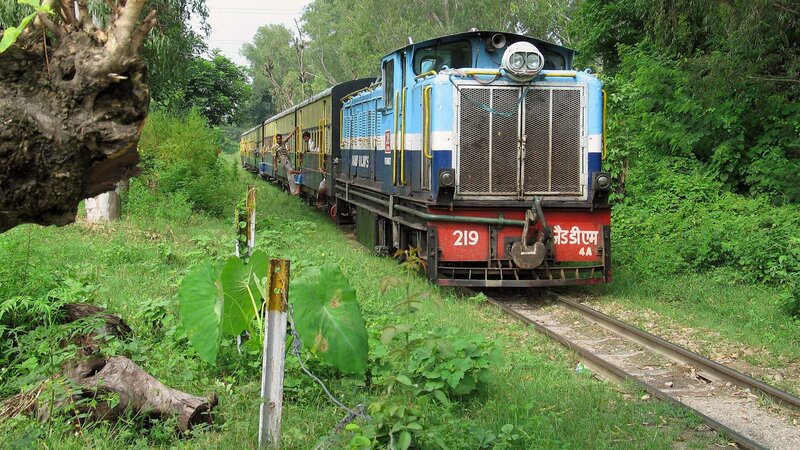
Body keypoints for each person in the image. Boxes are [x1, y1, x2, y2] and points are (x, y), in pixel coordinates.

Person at [272, 128, 300, 195]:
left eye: (279, 138)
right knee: (291, 173)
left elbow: (288, 137)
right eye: (277, 138)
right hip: (283, 160)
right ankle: (293, 191)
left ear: (281, 139)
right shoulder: (274, 147)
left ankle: (293, 190)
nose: (278, 139)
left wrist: (294, 130)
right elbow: (274, 158)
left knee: (290, 175)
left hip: (287, 159)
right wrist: (275, 167)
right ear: (276, 139)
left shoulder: (283, 143)